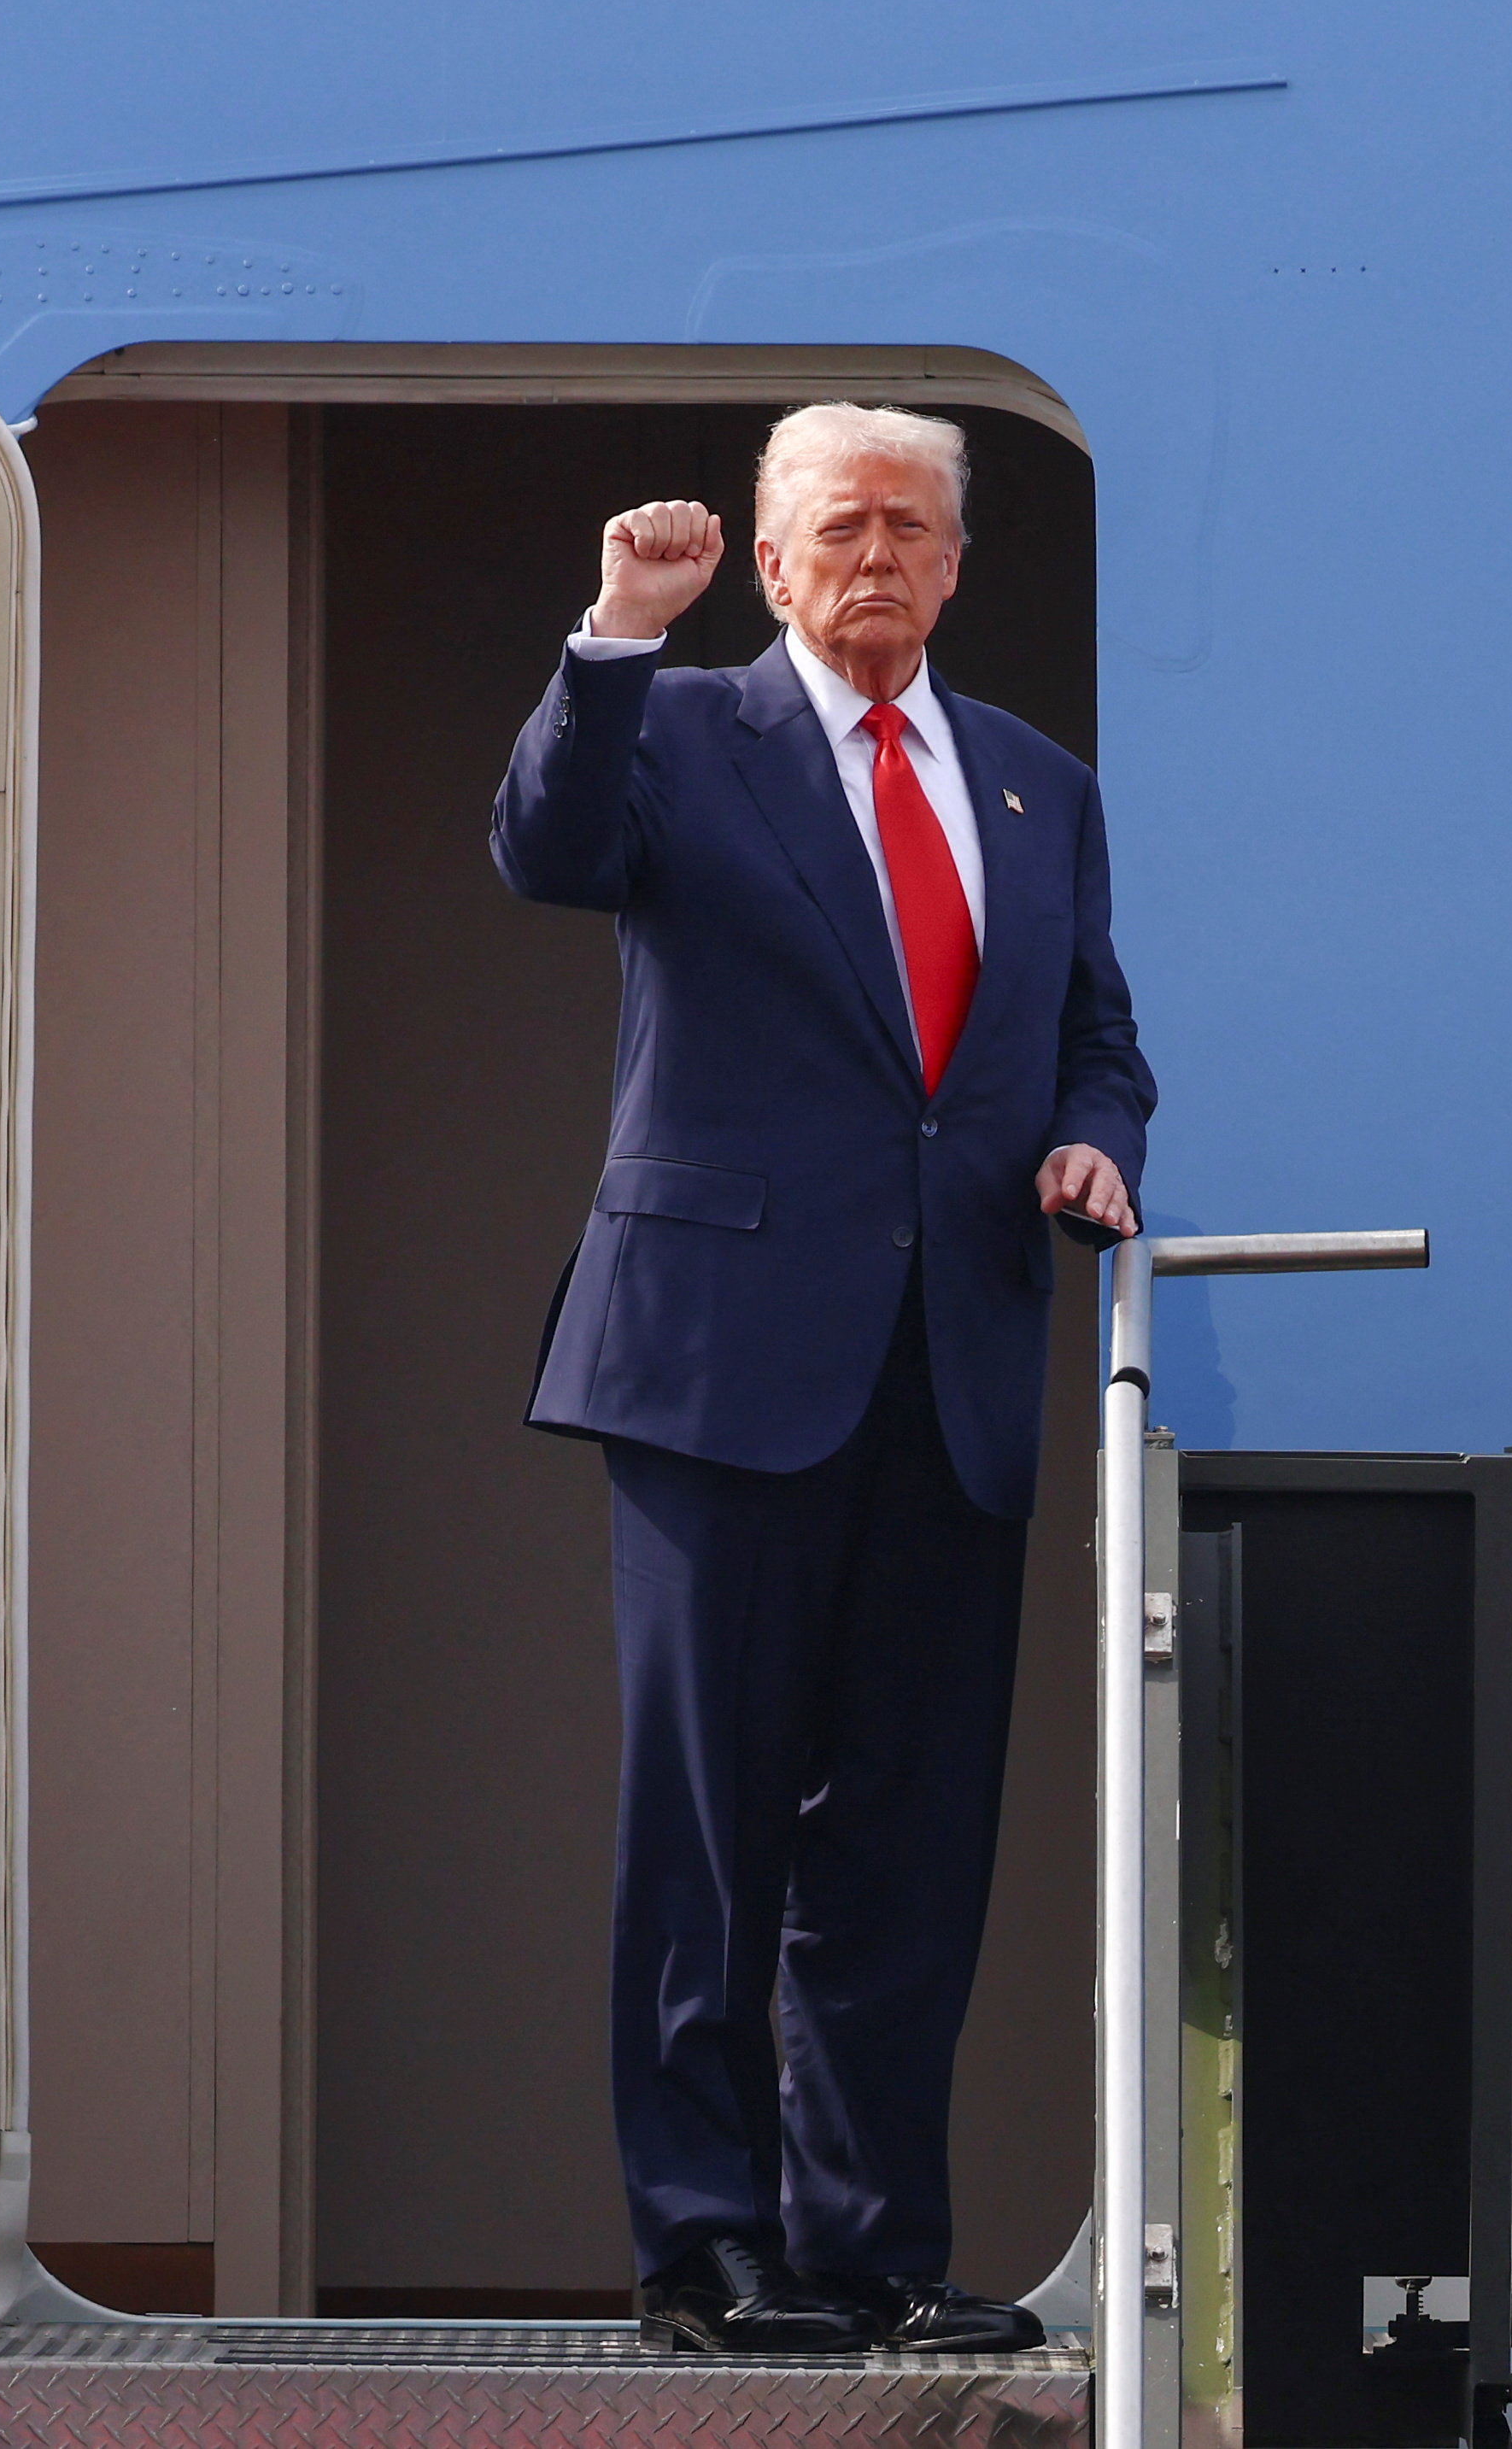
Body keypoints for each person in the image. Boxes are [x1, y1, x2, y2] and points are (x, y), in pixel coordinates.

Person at [492, 403, 1155, 2356]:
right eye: (838, 529)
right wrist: (615, 629)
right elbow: (544, 849)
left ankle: (868, 2245)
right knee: (711, 1827)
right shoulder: (684, 732)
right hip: (721, 1361)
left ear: (956, 563)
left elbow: (1095, 1031)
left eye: (910, 528)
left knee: (906, 1835)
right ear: (772, 566)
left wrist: (1096, 1141)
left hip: (951, 1356)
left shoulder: (1034, 785)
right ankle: (705, 2240)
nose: (875, 557)